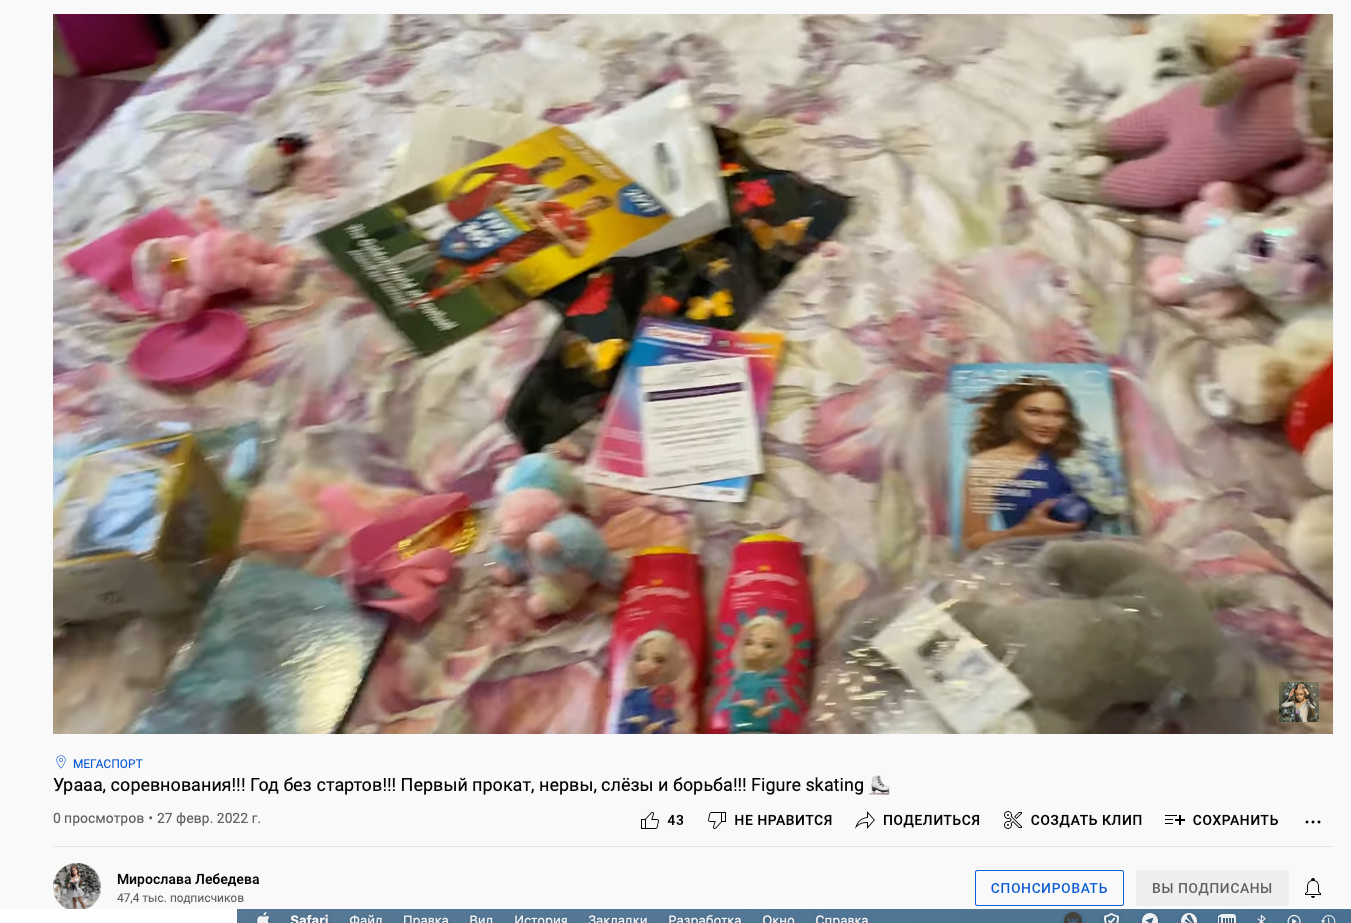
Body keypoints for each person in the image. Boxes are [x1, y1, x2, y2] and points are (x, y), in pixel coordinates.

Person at [961, 376, 1089, 551]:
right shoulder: (988, 463)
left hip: (1091, 556)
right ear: (1011, 414)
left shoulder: (1081, 456)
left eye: (1058, 414)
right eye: (1034, 412)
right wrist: (1023, 532)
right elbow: (972, 541)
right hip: (1031, 562)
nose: (1048, 424)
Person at [389, 176, 595, 276]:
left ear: (579, 192)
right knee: (438, 244)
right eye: (574, 183)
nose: (573, 187)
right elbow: (503, 188)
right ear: (568, 181)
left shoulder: (562, 208)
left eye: (579, 187)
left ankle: (401, 274)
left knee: (450, 257)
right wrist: (487, 210)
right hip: (493, 223)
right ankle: (391, 264)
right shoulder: (542, 190)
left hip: (506, 237)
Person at [426, 195, 613, 300]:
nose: (592, 207)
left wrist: (557, 233)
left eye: (597, 207)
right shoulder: (560, 207)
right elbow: (530, 206)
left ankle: (432, 298)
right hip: (499, 237)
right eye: (593, 202)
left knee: (469, 277)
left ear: (598, 211)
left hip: (514, 253)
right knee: (450, 257)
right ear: (587, 200)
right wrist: (540, 219)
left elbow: (578, 252)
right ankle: (431, 283)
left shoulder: (582, 229)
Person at [616, 631, 682, 734]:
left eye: (658, 660)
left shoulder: (665, 694)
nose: (646, 664)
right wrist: (633, 721)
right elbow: (620, 721)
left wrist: (657, 724)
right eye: (640, 658)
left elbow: (672, 717)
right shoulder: (631, 696)